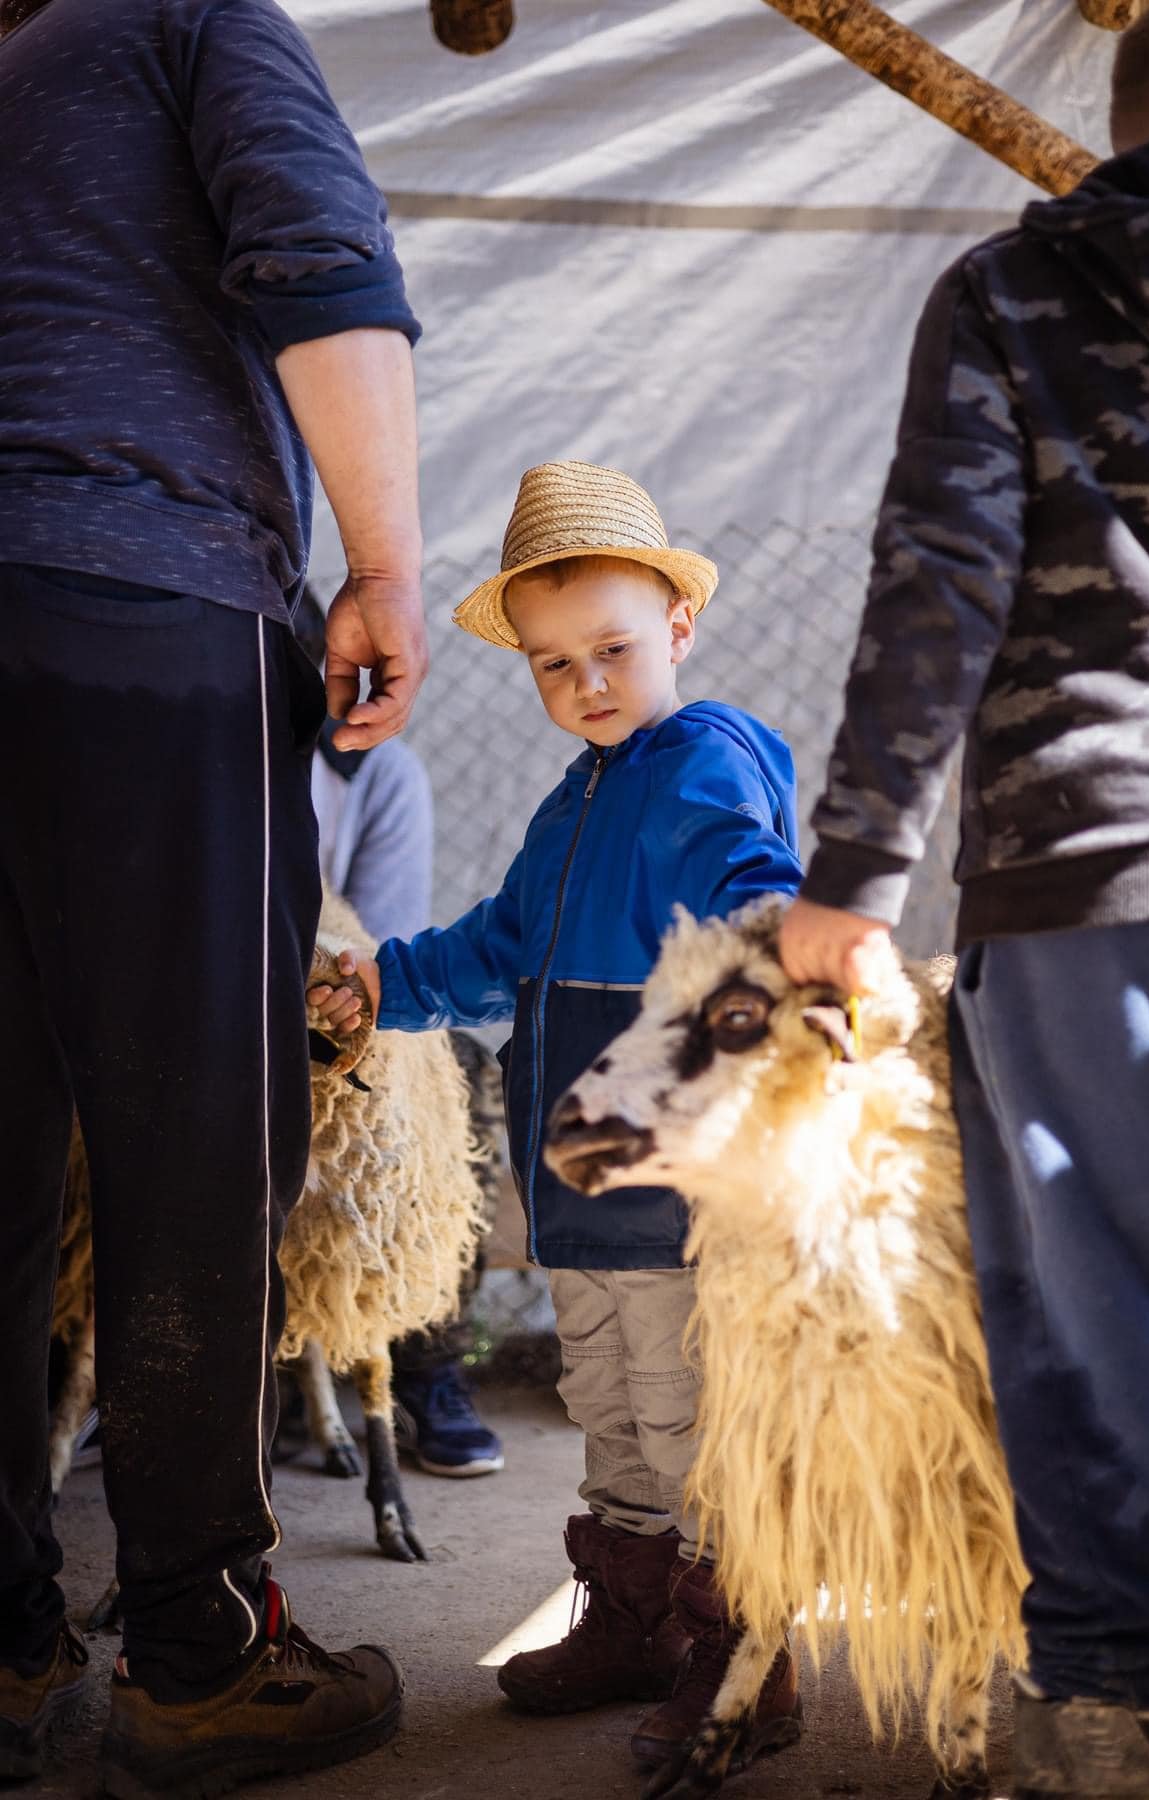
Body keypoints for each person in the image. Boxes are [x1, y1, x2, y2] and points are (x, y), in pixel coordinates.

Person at [0, 0, 428, 1791]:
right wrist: (390, 563)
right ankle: (199, 1647)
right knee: (194, 1148)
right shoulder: (186, 14)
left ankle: (12, 1656)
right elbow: (322, 262)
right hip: (142, 601)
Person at [775, 3, 1149, 1793]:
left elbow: (940, 580)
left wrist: (853, 878)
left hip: (1086, 863)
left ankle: (1139, 1693)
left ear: (1116, 124)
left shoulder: (1012, 293)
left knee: (1090, 1287)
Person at [309, 458, 804, 1773]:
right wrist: (382, 983)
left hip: (681, 1192)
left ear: (678, 627)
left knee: (691, 1412)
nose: (583, 682)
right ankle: (635, 1620)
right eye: (550, 663)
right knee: (612, 1408)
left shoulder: (703, 766)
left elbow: (758, 885)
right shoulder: (569, 804)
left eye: (612, 650)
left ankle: (740, 1654)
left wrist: (774, 935)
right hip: (581, 1198)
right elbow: (495, 949)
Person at [293, 587, 504, 1477]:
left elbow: (378, 940)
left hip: (328, 994)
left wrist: (326, 995)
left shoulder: (374, 773)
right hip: (204, 998)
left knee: (464, 1073)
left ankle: (427, 1356)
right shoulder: (183, 766)